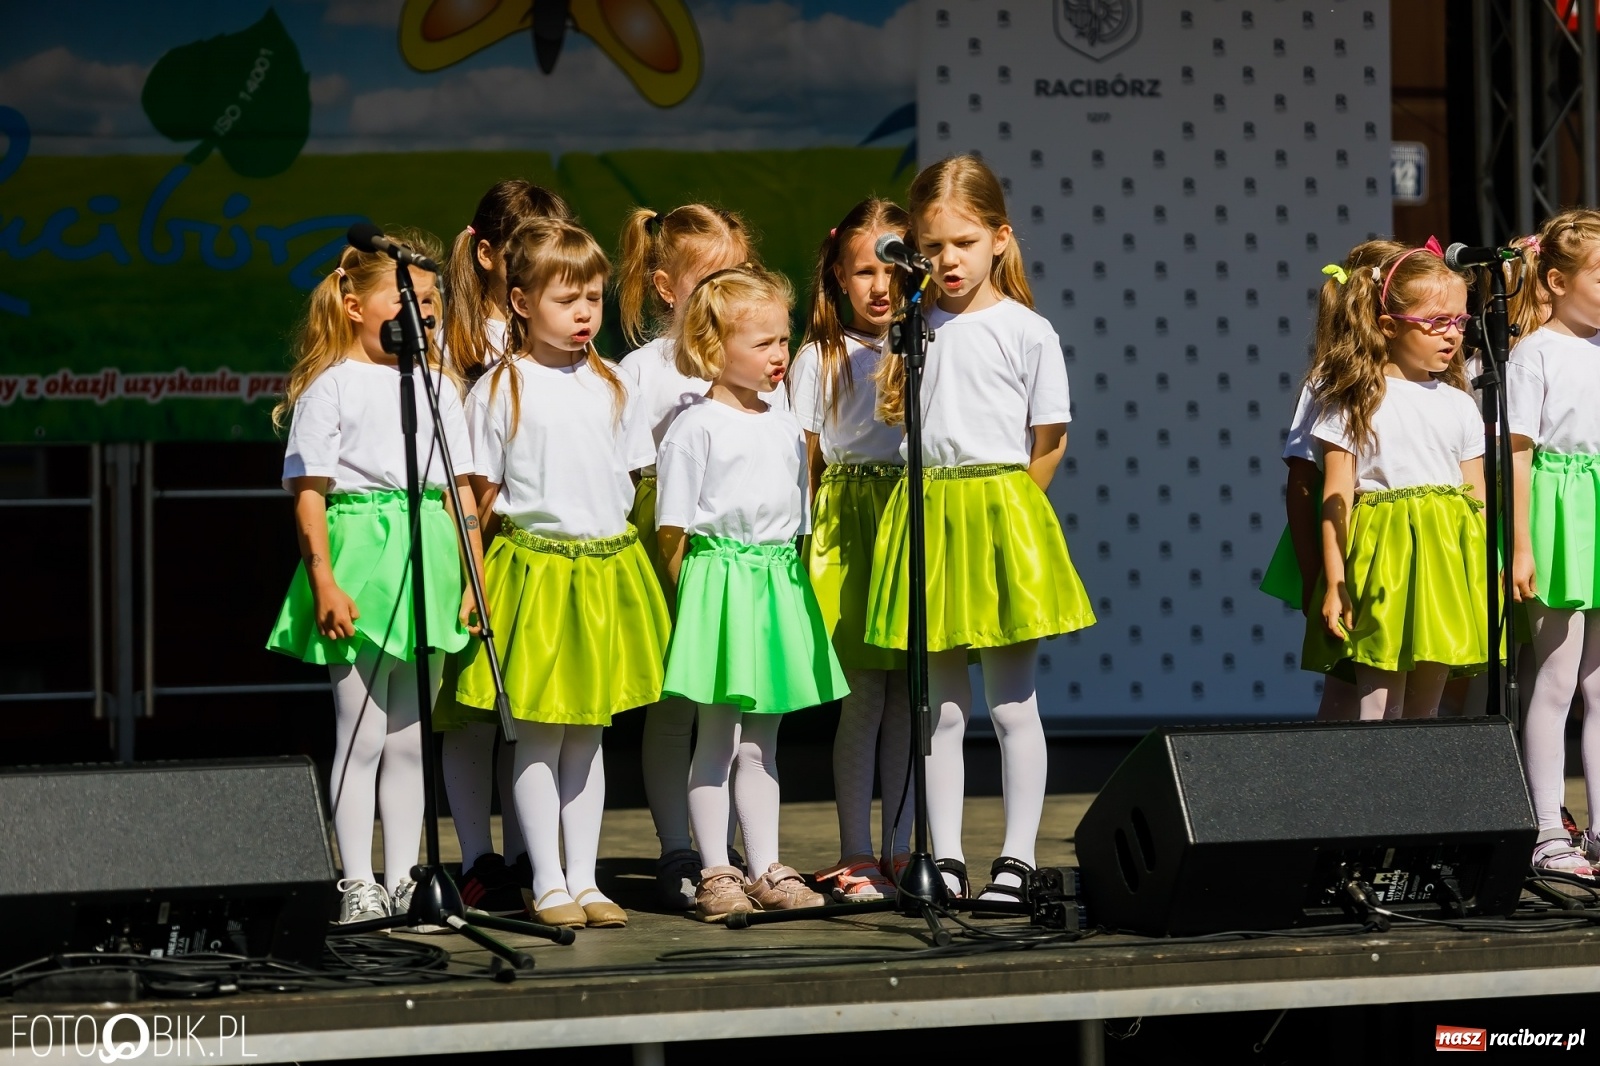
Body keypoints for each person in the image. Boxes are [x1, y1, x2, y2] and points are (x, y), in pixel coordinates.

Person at [865, 155, 1096, 904]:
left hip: (1000, 517)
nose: (946, 261)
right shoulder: (912, 328)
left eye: (962, 243)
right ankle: (949, 860)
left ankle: (1017, 859)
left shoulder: (1028, 330)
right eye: (931, 249)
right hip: (930, 514)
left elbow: (1049, 438)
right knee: (941, 710)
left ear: (999, 237)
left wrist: (1011, 519)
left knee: (1009, 703)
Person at [453, 218, 670, 928]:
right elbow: (476, 500)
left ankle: (586, 877)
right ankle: (545, 878)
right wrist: (472, 580)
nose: (583, 314)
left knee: (589, 733)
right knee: (542, 733)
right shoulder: (500, 387)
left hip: (605, 573)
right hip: (537, 573)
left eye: (595, 300)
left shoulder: (612, 384)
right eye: (565, 299)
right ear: (520, 302)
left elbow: (631, 481)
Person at [266, 232, 481, 924]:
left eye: (429, 303)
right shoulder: (330, 387)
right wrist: (324, 581)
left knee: (411, 739)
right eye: (405, 299)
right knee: (360, 732)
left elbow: (461, 491)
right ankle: (355, 880)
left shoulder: (440, 387)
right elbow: (309, 492)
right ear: (354, 304)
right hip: (361, 554)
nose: (420, 315)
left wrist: (473, 578)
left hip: (431, 556)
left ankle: (405, 878)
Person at [655, 266, 848, 921]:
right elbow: (673, 532)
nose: (780, 355)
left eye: (783, 339)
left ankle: (766, 864)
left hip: (774, 581)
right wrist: (697, 607)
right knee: (715, 737)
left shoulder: (786, 422)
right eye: (763, 342)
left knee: (761, 742)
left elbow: (796, 514)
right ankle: (716, 869)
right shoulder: (695, 426)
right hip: (719, 584)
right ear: (713, 349)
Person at [615, 203, 758, 908]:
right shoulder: (641, 370)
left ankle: (729, 850)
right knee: (675, 705)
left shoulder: (760, 362)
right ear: (668, 288)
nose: (726, 289)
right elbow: (627, 473)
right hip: (665, 541)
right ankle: (679, 846)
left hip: (738, 552)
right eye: (710, 277)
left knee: (730, 704)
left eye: (739, 272)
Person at [436, 179, 572, 915]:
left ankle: (532, 855)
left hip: (533, 543)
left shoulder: (555, 340)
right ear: (488, 256)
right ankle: (476, 856)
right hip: (469, 529)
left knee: (530, 707)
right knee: (470, 708)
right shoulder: (456, 341)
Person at [1302, 238, 1488, 719]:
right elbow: (1336, 495)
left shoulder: (1461, 404)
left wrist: (1487, 570)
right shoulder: (1357, 400)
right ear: (1388, 326)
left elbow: (1477, 498)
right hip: (1384, 560)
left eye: (1459, 322)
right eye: (1435, 322)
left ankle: (1413, 795)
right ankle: (1370, 794)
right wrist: (1335, 581)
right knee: (1378, 705)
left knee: (1426, 711)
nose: (1452, 335)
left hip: (1445, 563)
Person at [791, 200, 913, 901]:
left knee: (908, 700)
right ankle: (854, 852)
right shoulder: (820, 356)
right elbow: (804, 459)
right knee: (864, 697)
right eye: (863, 270)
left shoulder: (924, 348)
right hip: (848, 530)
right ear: (837, 275)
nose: (877, 286)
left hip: (905, 523)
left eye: (890, 270)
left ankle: (900, 847)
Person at [1260, 244, 1403, 720]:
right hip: (1355, 545)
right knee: (1348, 687)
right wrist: (1313, 576)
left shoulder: (1436, 382)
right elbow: (1303, 481)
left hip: (1406, 549)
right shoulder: (1330, 382)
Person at [1507, 209, 1600, 877]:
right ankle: (1546, 829)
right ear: (1559, 280)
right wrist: (1522, 546)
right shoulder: (1533, 351)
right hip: (1556, 509)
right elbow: (1518, 454)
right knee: (1558, 677)